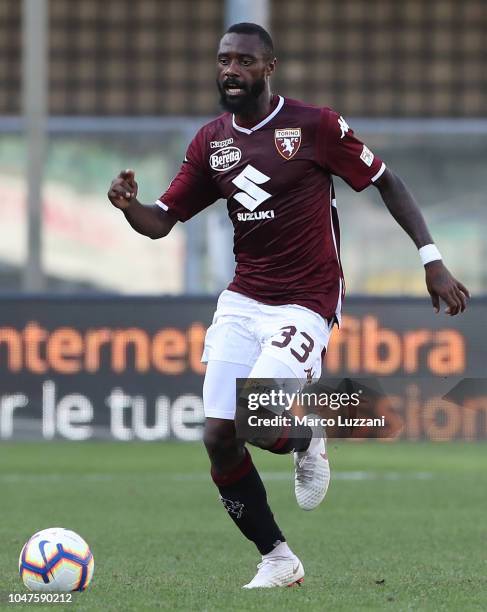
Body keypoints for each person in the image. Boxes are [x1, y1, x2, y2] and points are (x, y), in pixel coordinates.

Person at [108, 22, 469, 588]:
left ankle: (310, 436)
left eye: (244, 61)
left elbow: (387, 182)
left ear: (268, 67)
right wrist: (129, 206)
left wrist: (432, 258)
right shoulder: (211, 142)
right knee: (217, 435)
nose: (231, 70)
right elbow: (161, 221)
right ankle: (277, 557)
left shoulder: (315, 126)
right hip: (244, 298)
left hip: (307, 299)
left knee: (255, 420)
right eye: (224, 60)